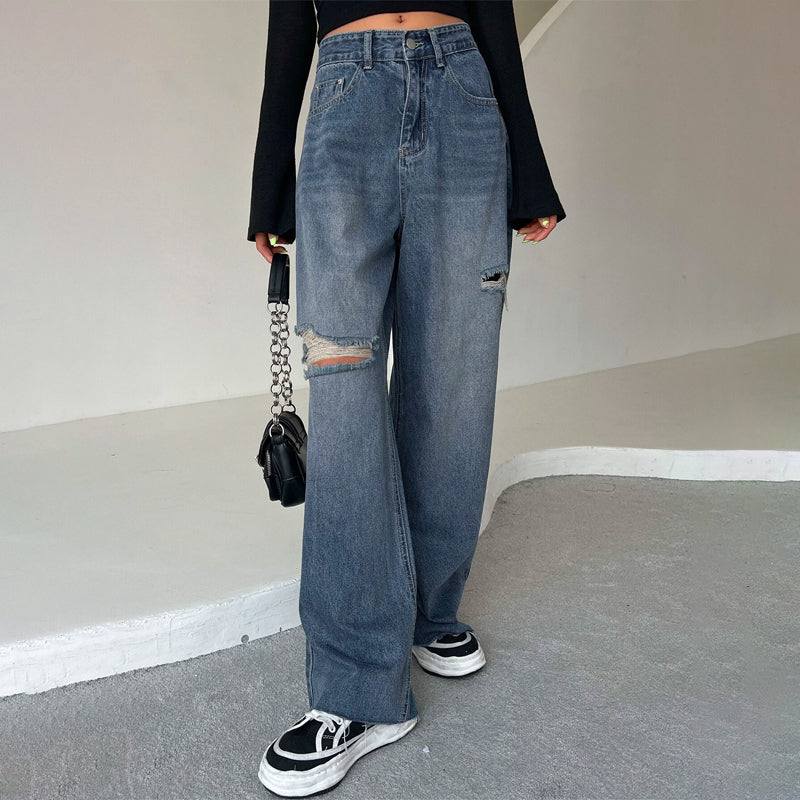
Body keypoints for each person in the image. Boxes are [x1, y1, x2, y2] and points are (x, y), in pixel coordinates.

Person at [248, 2, 566, 795]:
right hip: (346, 98)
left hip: (463, 91)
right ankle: (357, 689)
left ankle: (427, 607)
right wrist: (269, 180)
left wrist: (530, 165)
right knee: (344, 389)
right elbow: (289, 14)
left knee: (453, 380)